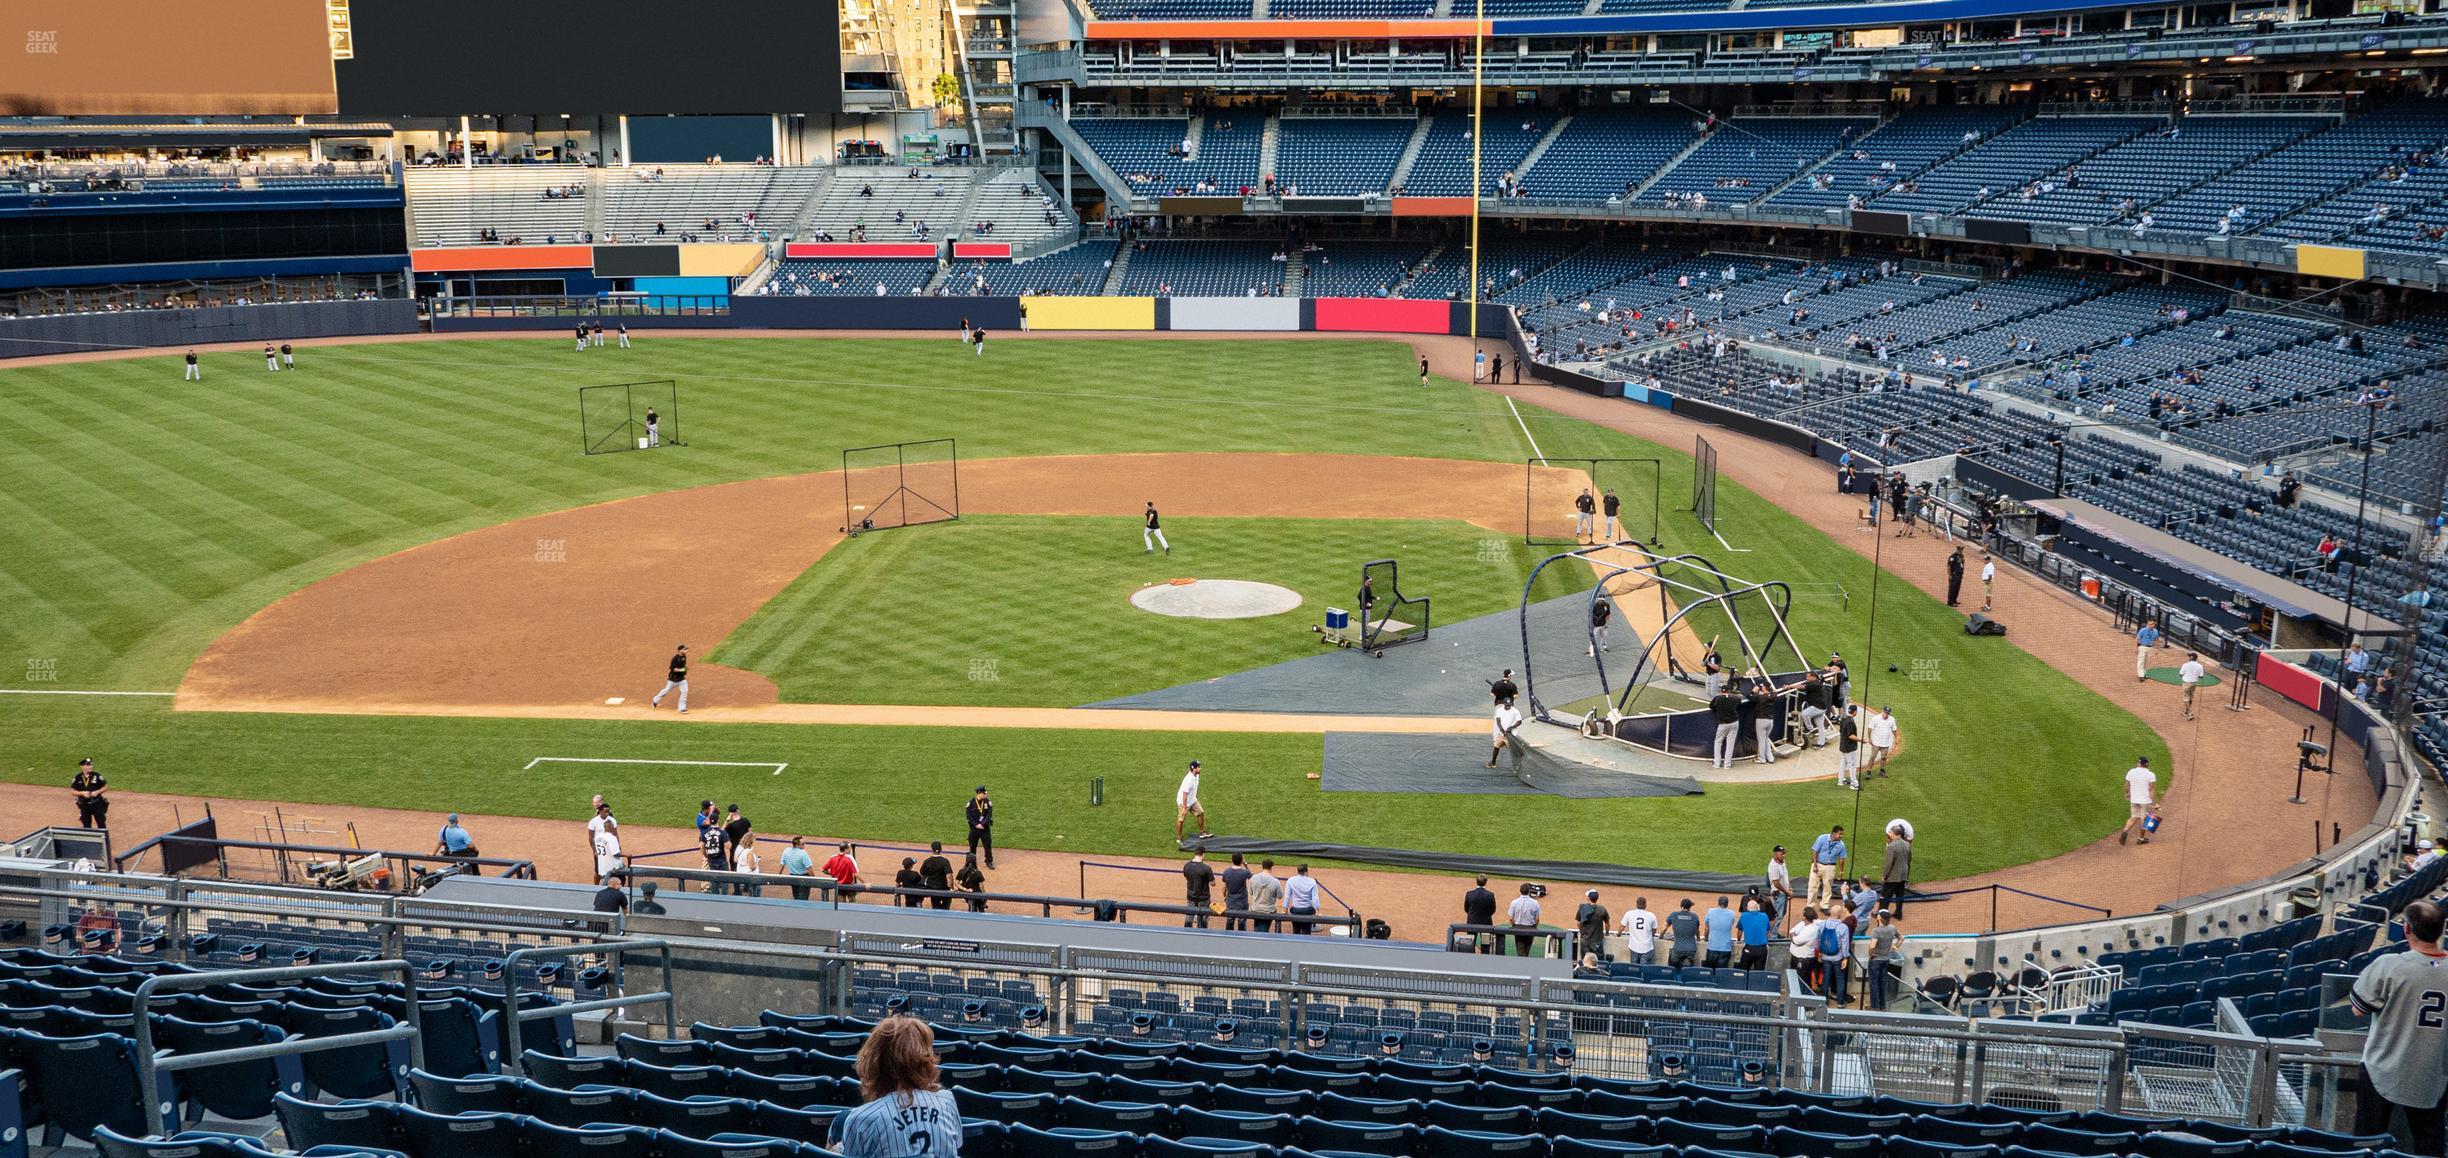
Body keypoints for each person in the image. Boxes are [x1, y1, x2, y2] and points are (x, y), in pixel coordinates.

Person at [2350, 898, 2448, 1152]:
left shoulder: (2389, 965)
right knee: (2429, 1147)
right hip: (2433, 1074)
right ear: (2441, 930)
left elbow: (2358, 1010)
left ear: (2407, 929)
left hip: (2382, 1068)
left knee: (2366, 1145)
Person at [827, 1016, 963, 1157]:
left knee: (841, 1123)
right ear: (925, 1059)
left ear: (874, 1062)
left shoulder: (860, 1118)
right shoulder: (947, 1102)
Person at [1866, 909, 1900, 1009]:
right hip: (1886, 959)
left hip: (1876, 960)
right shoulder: (1892, 928)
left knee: (1874, 983)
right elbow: (1901, 938)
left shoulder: (1876, 931)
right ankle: (1882, 1005)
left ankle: (1875, 1006)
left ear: (1880, 918)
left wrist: (1870, 954)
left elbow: (1872, 946)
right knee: (1883, 983)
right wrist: (1895, 947)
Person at [2121, 756, 2158, 845]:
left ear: (2138, 763)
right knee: (2144, 820)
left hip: (2134, 799)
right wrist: (2154, 803)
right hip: (2145, 801)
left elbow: (2127, 784)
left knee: (2133, 817)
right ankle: (2141, 838)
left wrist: (2126, 794)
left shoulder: (2131, 772)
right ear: (2147, 764)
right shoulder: (2151, 774)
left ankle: (2125, 831)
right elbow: (2151, 790)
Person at [1809, 824, 1847, 908]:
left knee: (1828, 888)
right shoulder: (1822, 838)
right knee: (1813, 886)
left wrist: (1841, 871)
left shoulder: (1841, 845)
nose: (1841, 836)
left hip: (1830, 867)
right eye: (1840, 834)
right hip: (1818, 864)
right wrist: (1815, 865)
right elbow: (1815, 852)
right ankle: (1810, 906)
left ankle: (1824, 906)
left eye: (1842, 834)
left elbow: (1841, 859)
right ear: (1833, 833)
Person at [1882, 820, 1914, 915]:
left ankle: (1882, 913)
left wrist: (1885, 876)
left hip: (1893, 876)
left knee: (1886, 895)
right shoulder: (1908, 845)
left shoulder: (1891, 846)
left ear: (1894, 834)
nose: (1890, 834)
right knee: (1900, 895)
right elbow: (1909, 860)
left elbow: (1889, 863)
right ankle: (1898, 913)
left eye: (1891, 833)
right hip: (1903, 875)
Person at [1709, 684, 1744, 769]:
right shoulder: (1735, 698)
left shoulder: (1717, 698)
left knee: (1718, 742)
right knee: (1730, 744)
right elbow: (1739, 703)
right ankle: (1727, 765)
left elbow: (1711, 707)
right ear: (1729, 691)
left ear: (1721, 691)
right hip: (1734, 723)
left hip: (1723, 724)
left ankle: (1717, 763)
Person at [1788, 906, 1823, 990]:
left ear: (1805, 917)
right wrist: (1793, 934)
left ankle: (1805, 998)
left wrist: (1794, 935)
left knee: (1802, 981)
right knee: (1797, 980)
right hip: (1798, 958)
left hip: (1803, 960)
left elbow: (1795, 940)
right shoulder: (1804, 923)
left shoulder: (1810, 930)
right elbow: (1792, 931)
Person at [1463, 876, 1499, 953]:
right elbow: (1493, 909)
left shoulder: (1469, 894)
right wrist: (1486, 915)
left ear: (1476, 881)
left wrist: (1472, 915)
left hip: (1472, 922)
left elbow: (1466, 909)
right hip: (1486, 923)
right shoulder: (1490, 895)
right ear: (1486, 882)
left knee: (1470, 944)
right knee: (1485, 945)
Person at [1181, 846, 1215, 928]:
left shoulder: (1186, 866)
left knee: (1189, 917)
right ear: (1203, 854)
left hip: (1190, 897)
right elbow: (1213, 883)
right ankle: (1202, 936)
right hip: (1203, 898)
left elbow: (1186, 877)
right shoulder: (1206, 868)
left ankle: (1186, 934)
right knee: (1203, 919)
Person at [1487, 697, 1525, 770]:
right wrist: (1502, 730)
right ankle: (1493, 762)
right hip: (1502, 734)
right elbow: (1498, 721)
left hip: (1511, 735)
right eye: (1507, 705)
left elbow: (1519, 721)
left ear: (1512, 704)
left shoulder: (1515, 711)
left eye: (1509, 705)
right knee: (1496, 747)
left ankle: (1519, 766)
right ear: (1504, 704)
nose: (1508, 706)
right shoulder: (1500, 710)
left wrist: (1511, 727)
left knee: (1514, 751)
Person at [1508, 883, 1544, 957]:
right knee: (1526, 952)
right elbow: (1537, 919)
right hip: (1530, 929)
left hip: (1518, 929)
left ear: (1520, 891)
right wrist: (1534, 927)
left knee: (1520, 952)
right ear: (1529, 891)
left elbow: (1511, 919)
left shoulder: (1514, 902)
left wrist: (1514, 926)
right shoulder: (1535, 903)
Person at [651, 643, 689, 713]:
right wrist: (682, 670)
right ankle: (655, 700)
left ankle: (682, 708)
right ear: (680, 650)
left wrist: (684, 669)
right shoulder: (675, 658)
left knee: (685, 691)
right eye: (685, 649)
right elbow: (673, 669)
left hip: (682, 679)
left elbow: (682, 666)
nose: (686, 650)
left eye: (686, 649)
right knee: (666, 691)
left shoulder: (684, 656)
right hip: (673, 679)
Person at [1175, 760, 1208, 840]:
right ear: (1194, 769)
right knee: (1181, 819)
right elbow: (1184, 795)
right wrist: (1184, 808)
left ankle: (1202, 833)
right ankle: (1179, 838)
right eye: (1198, 767)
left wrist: (1194, 798)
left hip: (1192, 800)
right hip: (1183, 802)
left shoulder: (1197, 776)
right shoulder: (1188, 780)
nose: (1200, 768)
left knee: (1201, 812)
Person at [71, 758, 108, 830]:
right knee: (86, 826)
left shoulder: (97, 776)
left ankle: (105, 841)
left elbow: (106, 787)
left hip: (97, 804)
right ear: (82, 767)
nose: (90, 766)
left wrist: (97, 792)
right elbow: (72, 792)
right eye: (88, 765)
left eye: (91, 764)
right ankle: (89, 841)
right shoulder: (78, 777)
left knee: (101, 824)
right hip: (84, 805)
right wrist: (82, 793)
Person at [1619, 896, 1658, 964]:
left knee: (1634, 969)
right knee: (1644, 970)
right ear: (1645, 905)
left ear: (1636, 904)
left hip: (1634, 947)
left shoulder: (1629, 913)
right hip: (1647, 948)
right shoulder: (1651, 915)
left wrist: (1618, 934)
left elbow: (1622, 927)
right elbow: (1654, 930)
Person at [1283, 864, 1320, 934]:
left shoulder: (1291, 880)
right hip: (1307, 911)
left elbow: (1287, 896)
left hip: (1295, 910)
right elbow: (1315, 898)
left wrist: (1285, 910)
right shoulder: (1312, 881)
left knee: (1296, 931)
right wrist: (1318, 911)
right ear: (1306, 872)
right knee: (1306, 932)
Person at [1665, 898, 1701, 968]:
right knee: (1687, 972)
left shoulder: (1674, 914)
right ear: (1689, 907)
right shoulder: (1694, 916)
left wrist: (1661, 936)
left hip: (1677, 949)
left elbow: (1665, 927)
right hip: (1691, 950)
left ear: (1681, 906)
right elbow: (1697, 930)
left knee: (1672, 969)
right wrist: (1699, 938)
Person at [1575, 890, 1610, 961]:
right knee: (1599, 962)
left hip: (1585, 940)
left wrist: (1582, 932)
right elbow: (1607, 923)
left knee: (1585, 961)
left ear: (1588, 898)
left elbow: (1578, 923)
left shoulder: (1583, 908)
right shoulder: (1602, 909)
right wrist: (1607, 932)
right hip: (1597, 941)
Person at [1737, 896, 1771, 971]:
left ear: (1748, 908)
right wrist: (1766, 942)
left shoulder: (1744, 916)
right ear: (1757, 907)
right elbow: (1768, 931)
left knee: (1743, 972)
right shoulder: (1764, 916)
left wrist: (1739, 941)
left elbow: (1739, 931)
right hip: (1762, 949)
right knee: (1759, 973)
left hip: (1749, 949)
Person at [698, 816, 731, 893]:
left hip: (711, 860)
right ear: (718, 821)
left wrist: (706, 855)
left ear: (710, 821)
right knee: (725, 880)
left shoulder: (704, 833)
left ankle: (715, 897)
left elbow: (701, 846)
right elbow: (728, 846)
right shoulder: (722, 832)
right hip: (722, 860)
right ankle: (724, 898)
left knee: (714, 880)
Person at [1248, 859, 1282, 933]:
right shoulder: (1275, 881)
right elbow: (1280, 896)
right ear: (1271, 868)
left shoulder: (1253, 878)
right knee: (1264, 929)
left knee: (1257, 927)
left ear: (1262, 866)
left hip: (1255, 909)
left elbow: (1251, 893)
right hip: (1269, 911)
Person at [1702, 896, 1737, 968]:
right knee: (1721, 973)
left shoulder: (1710, 911)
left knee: (1710, 971)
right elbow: (1731, 923)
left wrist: (1706, 939)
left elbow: (1706, 928)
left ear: (1718, 903)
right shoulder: (1732, 913)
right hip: (1726, 949)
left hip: (1712, 948)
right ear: (1727, 904)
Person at [1221, 852, 1252, 930]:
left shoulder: (1226, 872)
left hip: (1230, 901)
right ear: (1241, 860)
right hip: (1242, 902)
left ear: (1232, 860)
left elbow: (1225, 887)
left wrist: (1225, 895)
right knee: (1241, 922)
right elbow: (1253, 876)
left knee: (1230, 921)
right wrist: (1245, 864)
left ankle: (1228, 939)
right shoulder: (1245, 872)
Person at [1834, 705, 1863, 790]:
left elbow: (1841, 731)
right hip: (1849, 747)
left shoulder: (1844, 718)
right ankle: (1854, 784)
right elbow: (1850, 735)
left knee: (1843, 763)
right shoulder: (1850, 721)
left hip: (1843, 745)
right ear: (1855, 712)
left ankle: (1840, 780)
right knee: (1852, 765)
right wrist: (1861, 740)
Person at [965, 786, 994, 868]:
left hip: (985, 829)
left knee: (987, 846)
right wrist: (976, 824)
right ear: (979, 793)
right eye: (984, 793)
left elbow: (989, 815)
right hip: (974, 829)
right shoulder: (970, 803)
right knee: (972, 846)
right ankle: (971, 863)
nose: (986, 795)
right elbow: (969, 816)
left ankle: (989, 861)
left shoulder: (988, 802)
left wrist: (983, 824)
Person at [781, 835, 817, 901]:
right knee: (803, 899)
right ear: (797, 845)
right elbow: (810, 869)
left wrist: (776, 877)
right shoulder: (803, 853)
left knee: (796, 897)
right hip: (804, 878)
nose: (805, 845)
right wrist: (814, 880)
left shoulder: (786, 851)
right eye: (803, 844)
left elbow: (781, 865)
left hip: (793, 878)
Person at [919, 842, 954, 910]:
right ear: (941, 849)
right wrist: (951, 888)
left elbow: (922, 874)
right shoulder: (945, 861)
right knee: (946, 905)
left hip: (932, 888)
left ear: (932, 849)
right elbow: (949, 876)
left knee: (935, 906)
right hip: (943, 887)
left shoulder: (927, 861)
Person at [1865, 706, 1899, 777]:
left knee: (1884, 757)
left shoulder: (1892, 719)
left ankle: (1882, 770)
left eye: (1888, 713)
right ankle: (1868, 771)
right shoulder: (1875, 718)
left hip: (1886, 743)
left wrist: (1896, 738)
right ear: (1882, 711)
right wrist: (1869, 738)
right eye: (1885, 713)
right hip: (1876, 743)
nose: (1886, 715)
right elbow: (1869, 728)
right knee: (1873, 756)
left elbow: (1894, 729)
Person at [1765, 846, 1794, 921]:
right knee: (1777, 915)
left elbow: (1785, 876)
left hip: (1784, 892)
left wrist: (1789, 887)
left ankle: (1774, 931)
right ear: (1775, 854)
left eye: (1784, 853)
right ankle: (1771, 932)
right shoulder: (1773, 866)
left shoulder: (1782, 862)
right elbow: (1776, 883)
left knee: (1783, 913)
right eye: (1782, 853)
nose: (1784, 855)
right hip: (1778, 894)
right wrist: (1787, 892)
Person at [732, 833, 764, 898]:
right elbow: (752, 867)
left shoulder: (743, 850)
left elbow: (736, 860)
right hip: (752, 877)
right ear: (751, 841)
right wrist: (758, 861)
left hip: (743, 876)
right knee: (755, 894)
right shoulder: (750, 852)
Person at [2179, 651, 2206, 720]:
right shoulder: (2200, 666)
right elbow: (2201, 676)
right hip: (2194, 684)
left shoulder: (2185, 665)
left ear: (2191, 657)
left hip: (2186, 683)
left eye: (2189, 656)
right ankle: (2186, 710)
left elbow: (2181, 674)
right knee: (2190, 698)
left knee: (2186, 698)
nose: (2188, 657)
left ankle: (2190, 713)